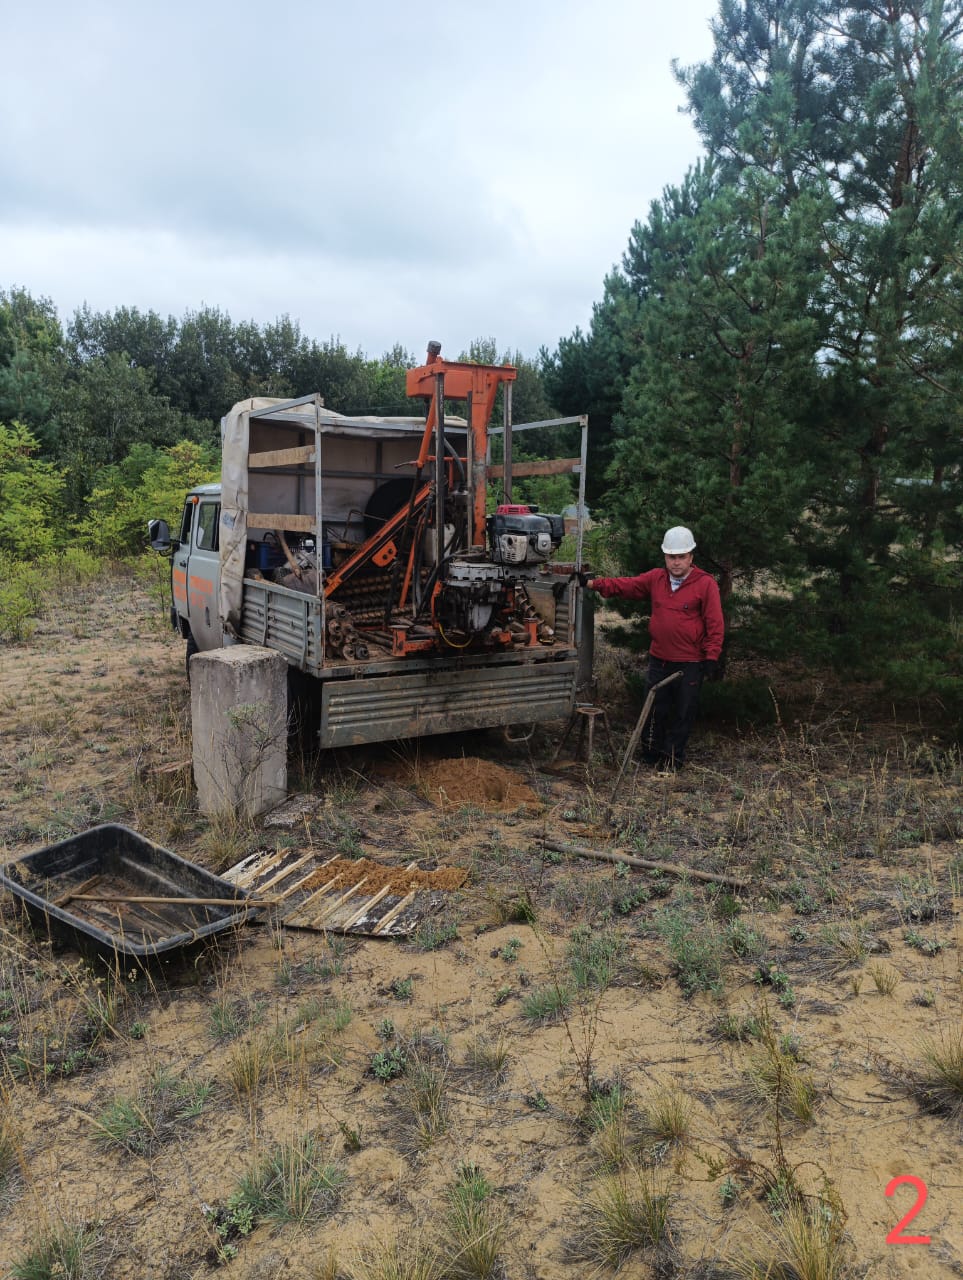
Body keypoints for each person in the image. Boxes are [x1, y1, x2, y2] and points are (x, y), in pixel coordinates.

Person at [585, 526, 724, 769]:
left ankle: (672, 760)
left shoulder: (705, 584)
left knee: (683, 712)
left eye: (681, 557)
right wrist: (592, 583)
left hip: (690, 663)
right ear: (665, 557)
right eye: (671, 557)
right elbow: (626, 585)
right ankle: (650, 754)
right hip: (659, 659)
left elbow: (715, 623)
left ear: (691, 557)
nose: (676, 562)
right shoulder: (656, 578)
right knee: (654, 709)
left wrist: (712, 657)